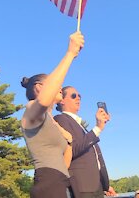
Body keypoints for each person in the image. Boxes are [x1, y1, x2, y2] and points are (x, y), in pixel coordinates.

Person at [20, 31, 84, 198]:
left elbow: (65, 159)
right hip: (48, 184)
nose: (60, 87)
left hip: (63, 183)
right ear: (40, 87)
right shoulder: (31, 110)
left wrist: (68, 140)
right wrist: (70, 54)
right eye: (54, 83)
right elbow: (43, 101)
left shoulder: (52, 122)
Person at [54, 86, 117, 198]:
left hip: (96, 186)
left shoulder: (81, 125)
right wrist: (97, 128)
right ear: (62, 100)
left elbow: (95, 159)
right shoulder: (60, 119)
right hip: (82, 186)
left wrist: (105, 185)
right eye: (73, 96)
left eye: (79, 96)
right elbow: (72, 149)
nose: (78, 98)